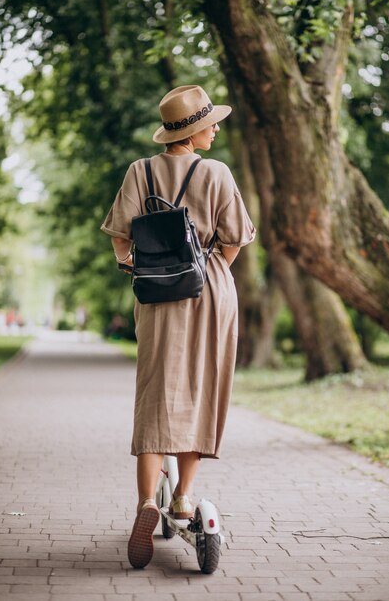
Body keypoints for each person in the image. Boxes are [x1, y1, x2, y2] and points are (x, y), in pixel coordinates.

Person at [100, 85, 256, 569]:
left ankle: (148, 503)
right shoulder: (217, 172)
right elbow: (235, 239)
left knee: (154, 394)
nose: (216, 129)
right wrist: (209, 268)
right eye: (212, 123)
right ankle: (184, 498)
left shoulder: (139, 171)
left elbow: (121, 239)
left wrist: (139, 267)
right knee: (200, 389)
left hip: (156, 294)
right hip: (208, 292)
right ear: (193, 130)